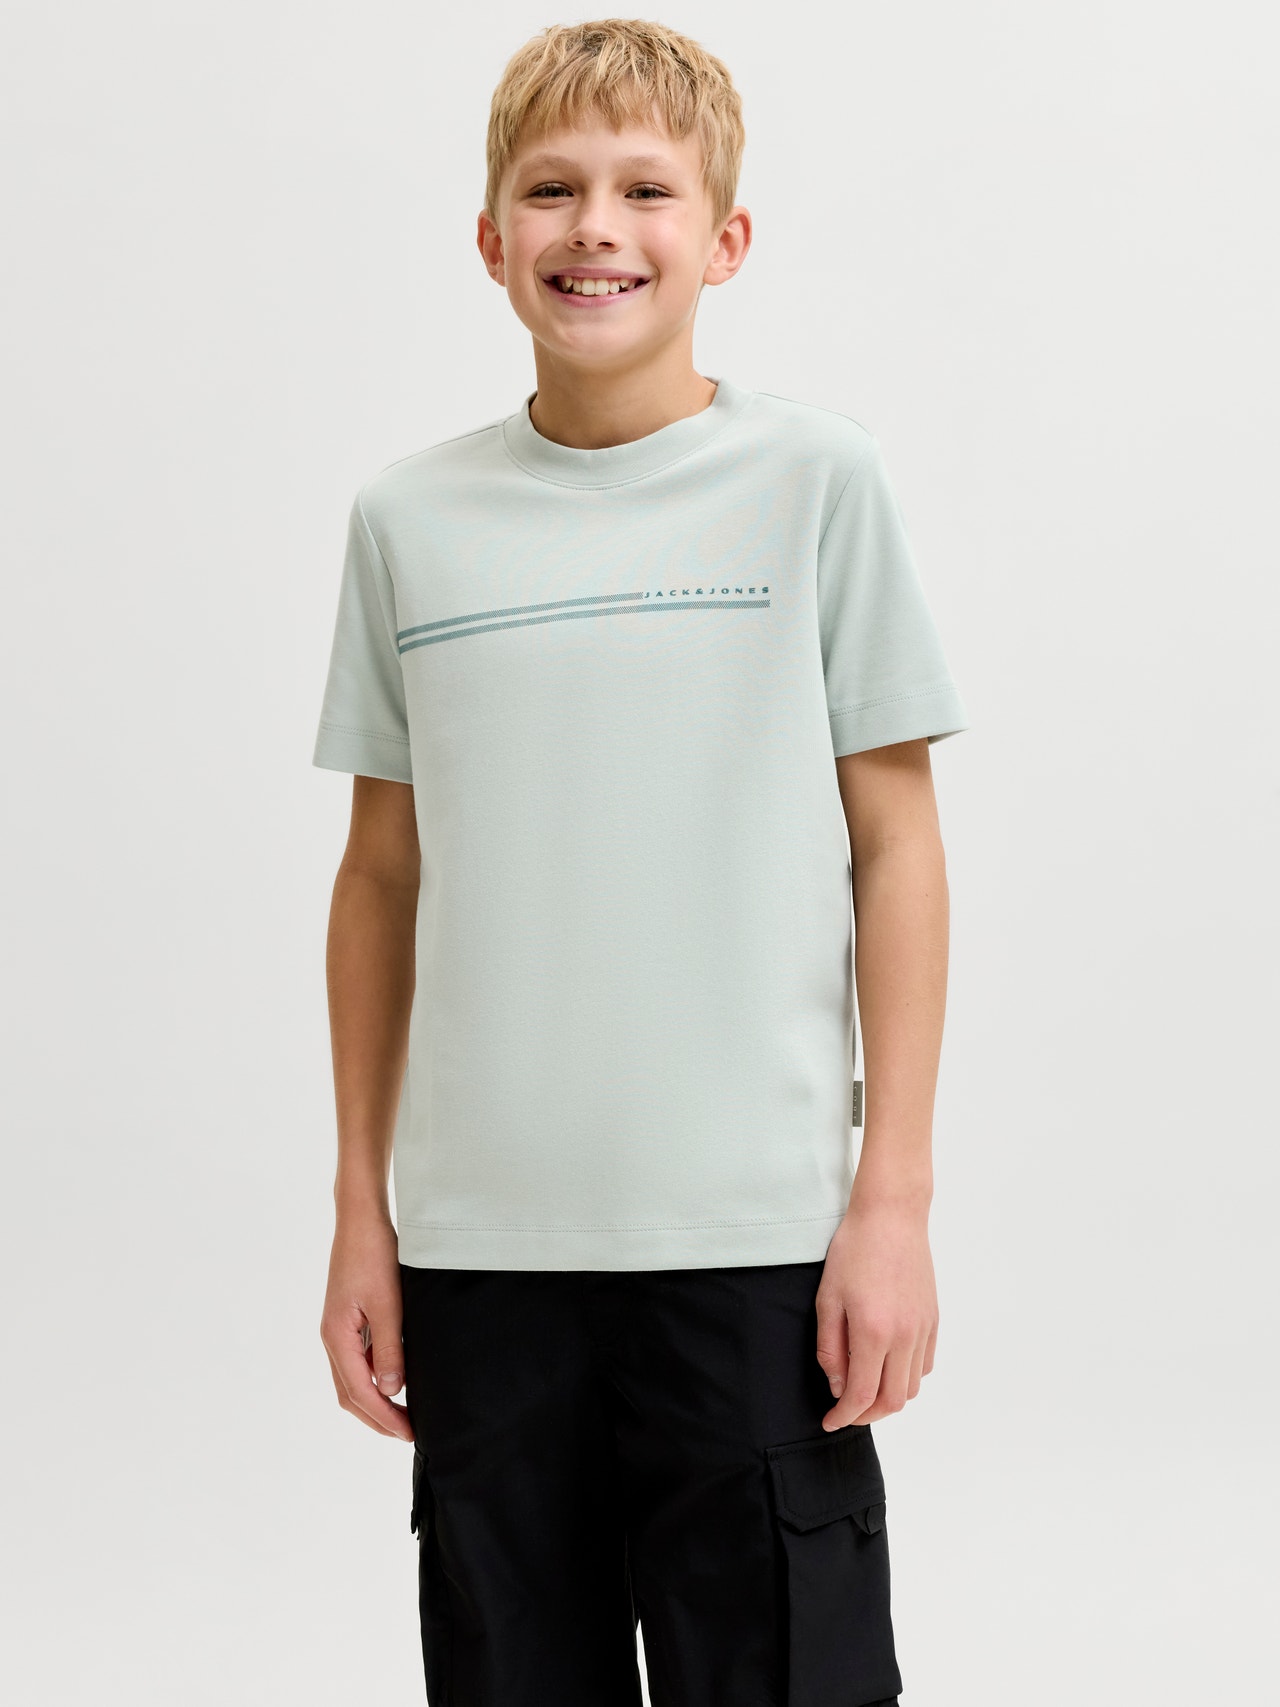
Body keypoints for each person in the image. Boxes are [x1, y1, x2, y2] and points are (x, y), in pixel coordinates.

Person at [312, 18, 970, 1706]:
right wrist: (362, 1215)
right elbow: (380, 877)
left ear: (724, 239)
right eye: (551, 190)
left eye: (644, 190)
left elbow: (896, 843)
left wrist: (891, 1200)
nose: (595, 227)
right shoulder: (408, 520)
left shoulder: (816, 486)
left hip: (754, 1250)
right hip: (483, 1260)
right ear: (490, 240)